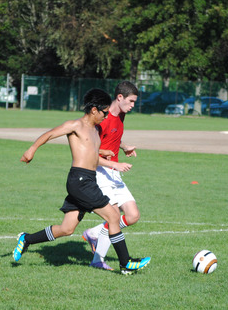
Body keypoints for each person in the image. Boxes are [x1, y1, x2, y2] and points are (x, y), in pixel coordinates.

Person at [13, 88, 150, 274]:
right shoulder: (75, 125)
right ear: (94, 110)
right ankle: (125, 263)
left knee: (67, 228)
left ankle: (26, 239)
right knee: (114, 216)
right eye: (104, 112)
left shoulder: (97, 129)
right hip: (79, 180)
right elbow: (49, 134)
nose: (105, 116)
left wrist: (106, 152)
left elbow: (90, 151)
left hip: (89, 180)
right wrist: (31, 150)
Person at [81, 81, 142, 271]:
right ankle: (98, 260)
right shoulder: (101, 119)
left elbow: (114, 136)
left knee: (132, 216)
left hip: (115, 171)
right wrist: (113, 161)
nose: (133, 106)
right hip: (101, 172)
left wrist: (124, 147)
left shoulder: (121, 115)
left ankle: (94, 233)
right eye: (131, 101)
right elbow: (91, 153)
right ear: (120, 97)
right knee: (113, 216)